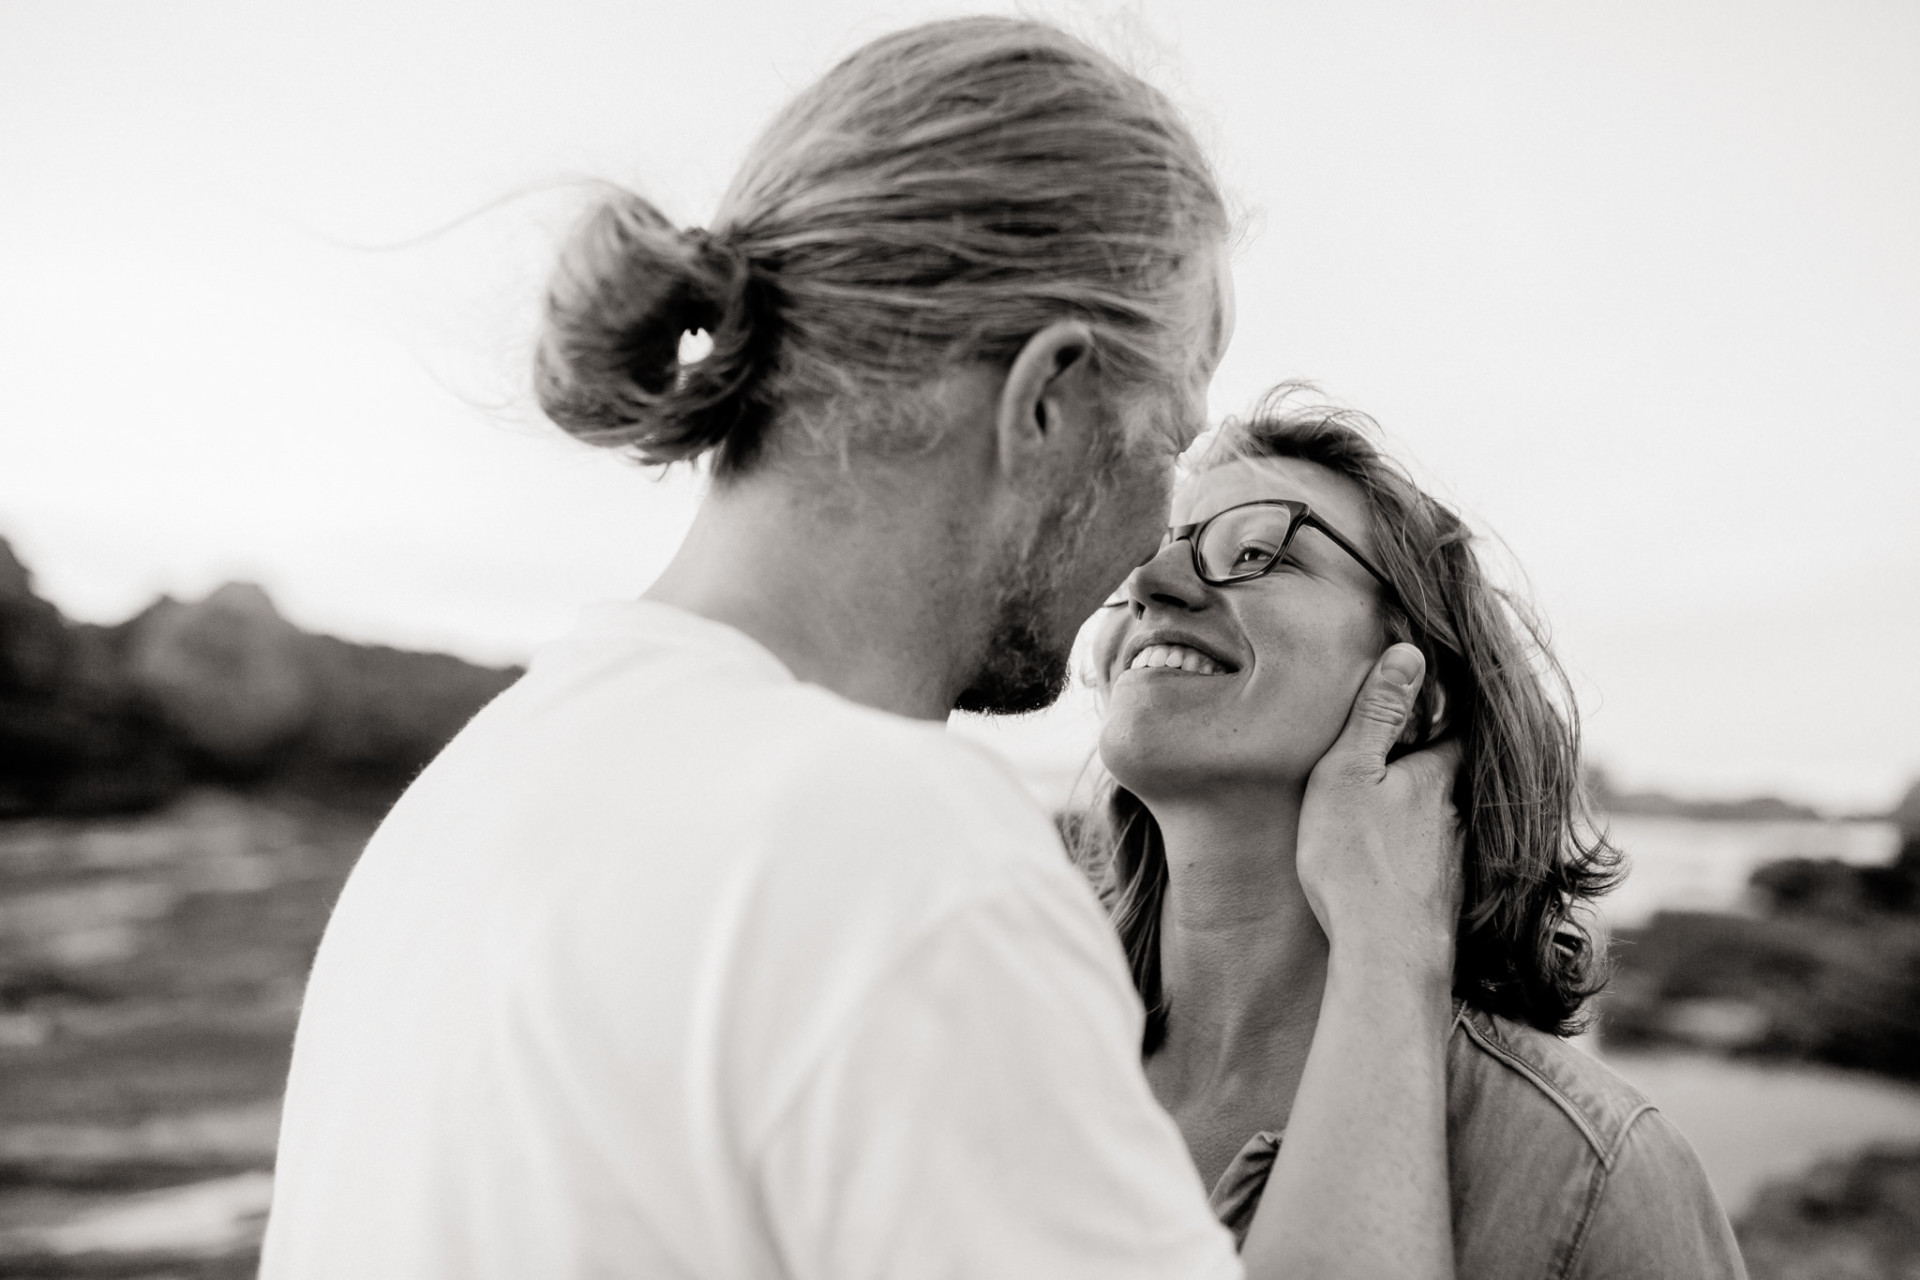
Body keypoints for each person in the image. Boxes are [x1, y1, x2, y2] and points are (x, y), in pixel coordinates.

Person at [261, 20, 1464, 1279]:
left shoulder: (467, 797)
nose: (1161, 541)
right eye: (1170, 439)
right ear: (1048, 396)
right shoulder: (901, 857)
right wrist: (1392, 949)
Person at [1083, 386, 1749, 1278]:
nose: (1148, 583)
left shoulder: (1589, 1175)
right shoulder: (1001, 1056)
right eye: (1152, 548)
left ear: (1415, 696)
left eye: (1256, 551)